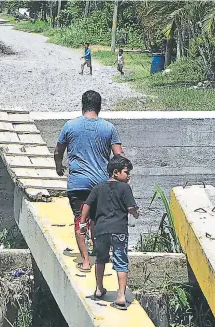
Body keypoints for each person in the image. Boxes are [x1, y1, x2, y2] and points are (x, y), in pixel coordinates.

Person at [54, 90, 124, 272]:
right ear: (99, 107)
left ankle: (85, 261)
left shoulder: (70, 126)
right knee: (98, 219)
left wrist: (58, 166)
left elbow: (58, 151)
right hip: (101, 184)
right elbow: (119, 156)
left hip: (77, 184)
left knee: (80, 219)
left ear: (83, 105)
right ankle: (101, 254)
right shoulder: (109, 128)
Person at [79, 155, 139, 310]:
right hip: (119, 230)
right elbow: (131, 208)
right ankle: (120, 296)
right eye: (126, 172)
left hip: (101, 230)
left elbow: (87, 205)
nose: (128, 176)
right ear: (115, 172)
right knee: (121, 261)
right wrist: (136, 213)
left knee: (101, 258)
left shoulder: (98, 187)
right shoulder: (125, 188)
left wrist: (82, 223)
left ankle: (99, 289)